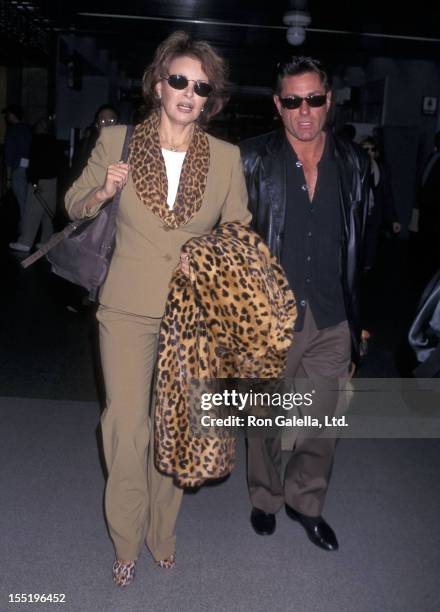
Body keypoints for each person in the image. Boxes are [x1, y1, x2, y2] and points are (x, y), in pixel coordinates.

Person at [65, 31, 250, 586]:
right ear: (158, 84)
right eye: (179, 81)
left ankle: (160, 532)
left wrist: (209, 257)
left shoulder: (225, 158)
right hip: (124, 307)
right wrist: (102, 190)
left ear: (209, 98)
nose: (188, 93)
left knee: (174, 426)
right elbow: (72, 204)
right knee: (126, 424)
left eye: (201, 86)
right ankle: (126, 537)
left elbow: (238, 228)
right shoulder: (118, 140)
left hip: (189, 314)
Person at [240, 56, 370, 551]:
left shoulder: (355, 162)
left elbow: (363, 247)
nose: (304, 111)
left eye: (313, 98)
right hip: (270, 320)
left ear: (329, 100)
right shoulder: (252, 159)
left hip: (333, 316)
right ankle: (266, 498)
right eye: (292, 101)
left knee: (321, 424)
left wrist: (361, 322)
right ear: (278, 104)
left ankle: (305, 502)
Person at [9, 118, 61, 252]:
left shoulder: (37, 141)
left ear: (40, 128)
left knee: (31, 211)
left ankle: (25, 242)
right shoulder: (55, 141)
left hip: (39, 180)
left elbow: (35, 163)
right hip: (52, 179)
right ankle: (46, 240)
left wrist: (33, 181)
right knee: (47, 212)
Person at [361, 135, 401, 270]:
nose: (369, 152)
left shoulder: (382, 169)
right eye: (366, 149)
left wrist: (393, 220)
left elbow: (387, 195)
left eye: (372, 149)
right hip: (359, 216)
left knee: (370, 254)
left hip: (375, 216)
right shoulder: (355, 167)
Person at [70, 104, 119, 183]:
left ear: (118, 124)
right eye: (103, 121)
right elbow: (76, 175)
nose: (107, 124)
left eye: (112, 121)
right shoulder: (86, 146)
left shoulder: (125, 147)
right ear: (97, 125)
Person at [2, 104, 32, 229]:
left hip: (17, 168)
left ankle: (25, 226)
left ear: (13, 115)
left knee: (21, 199)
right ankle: (28, 225)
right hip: (28, 167)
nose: (6, 117)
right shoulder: (27, 130)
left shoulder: (12, 131)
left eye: (8, 114)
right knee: (26, 198)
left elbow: (9, 155)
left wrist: (8, 178)